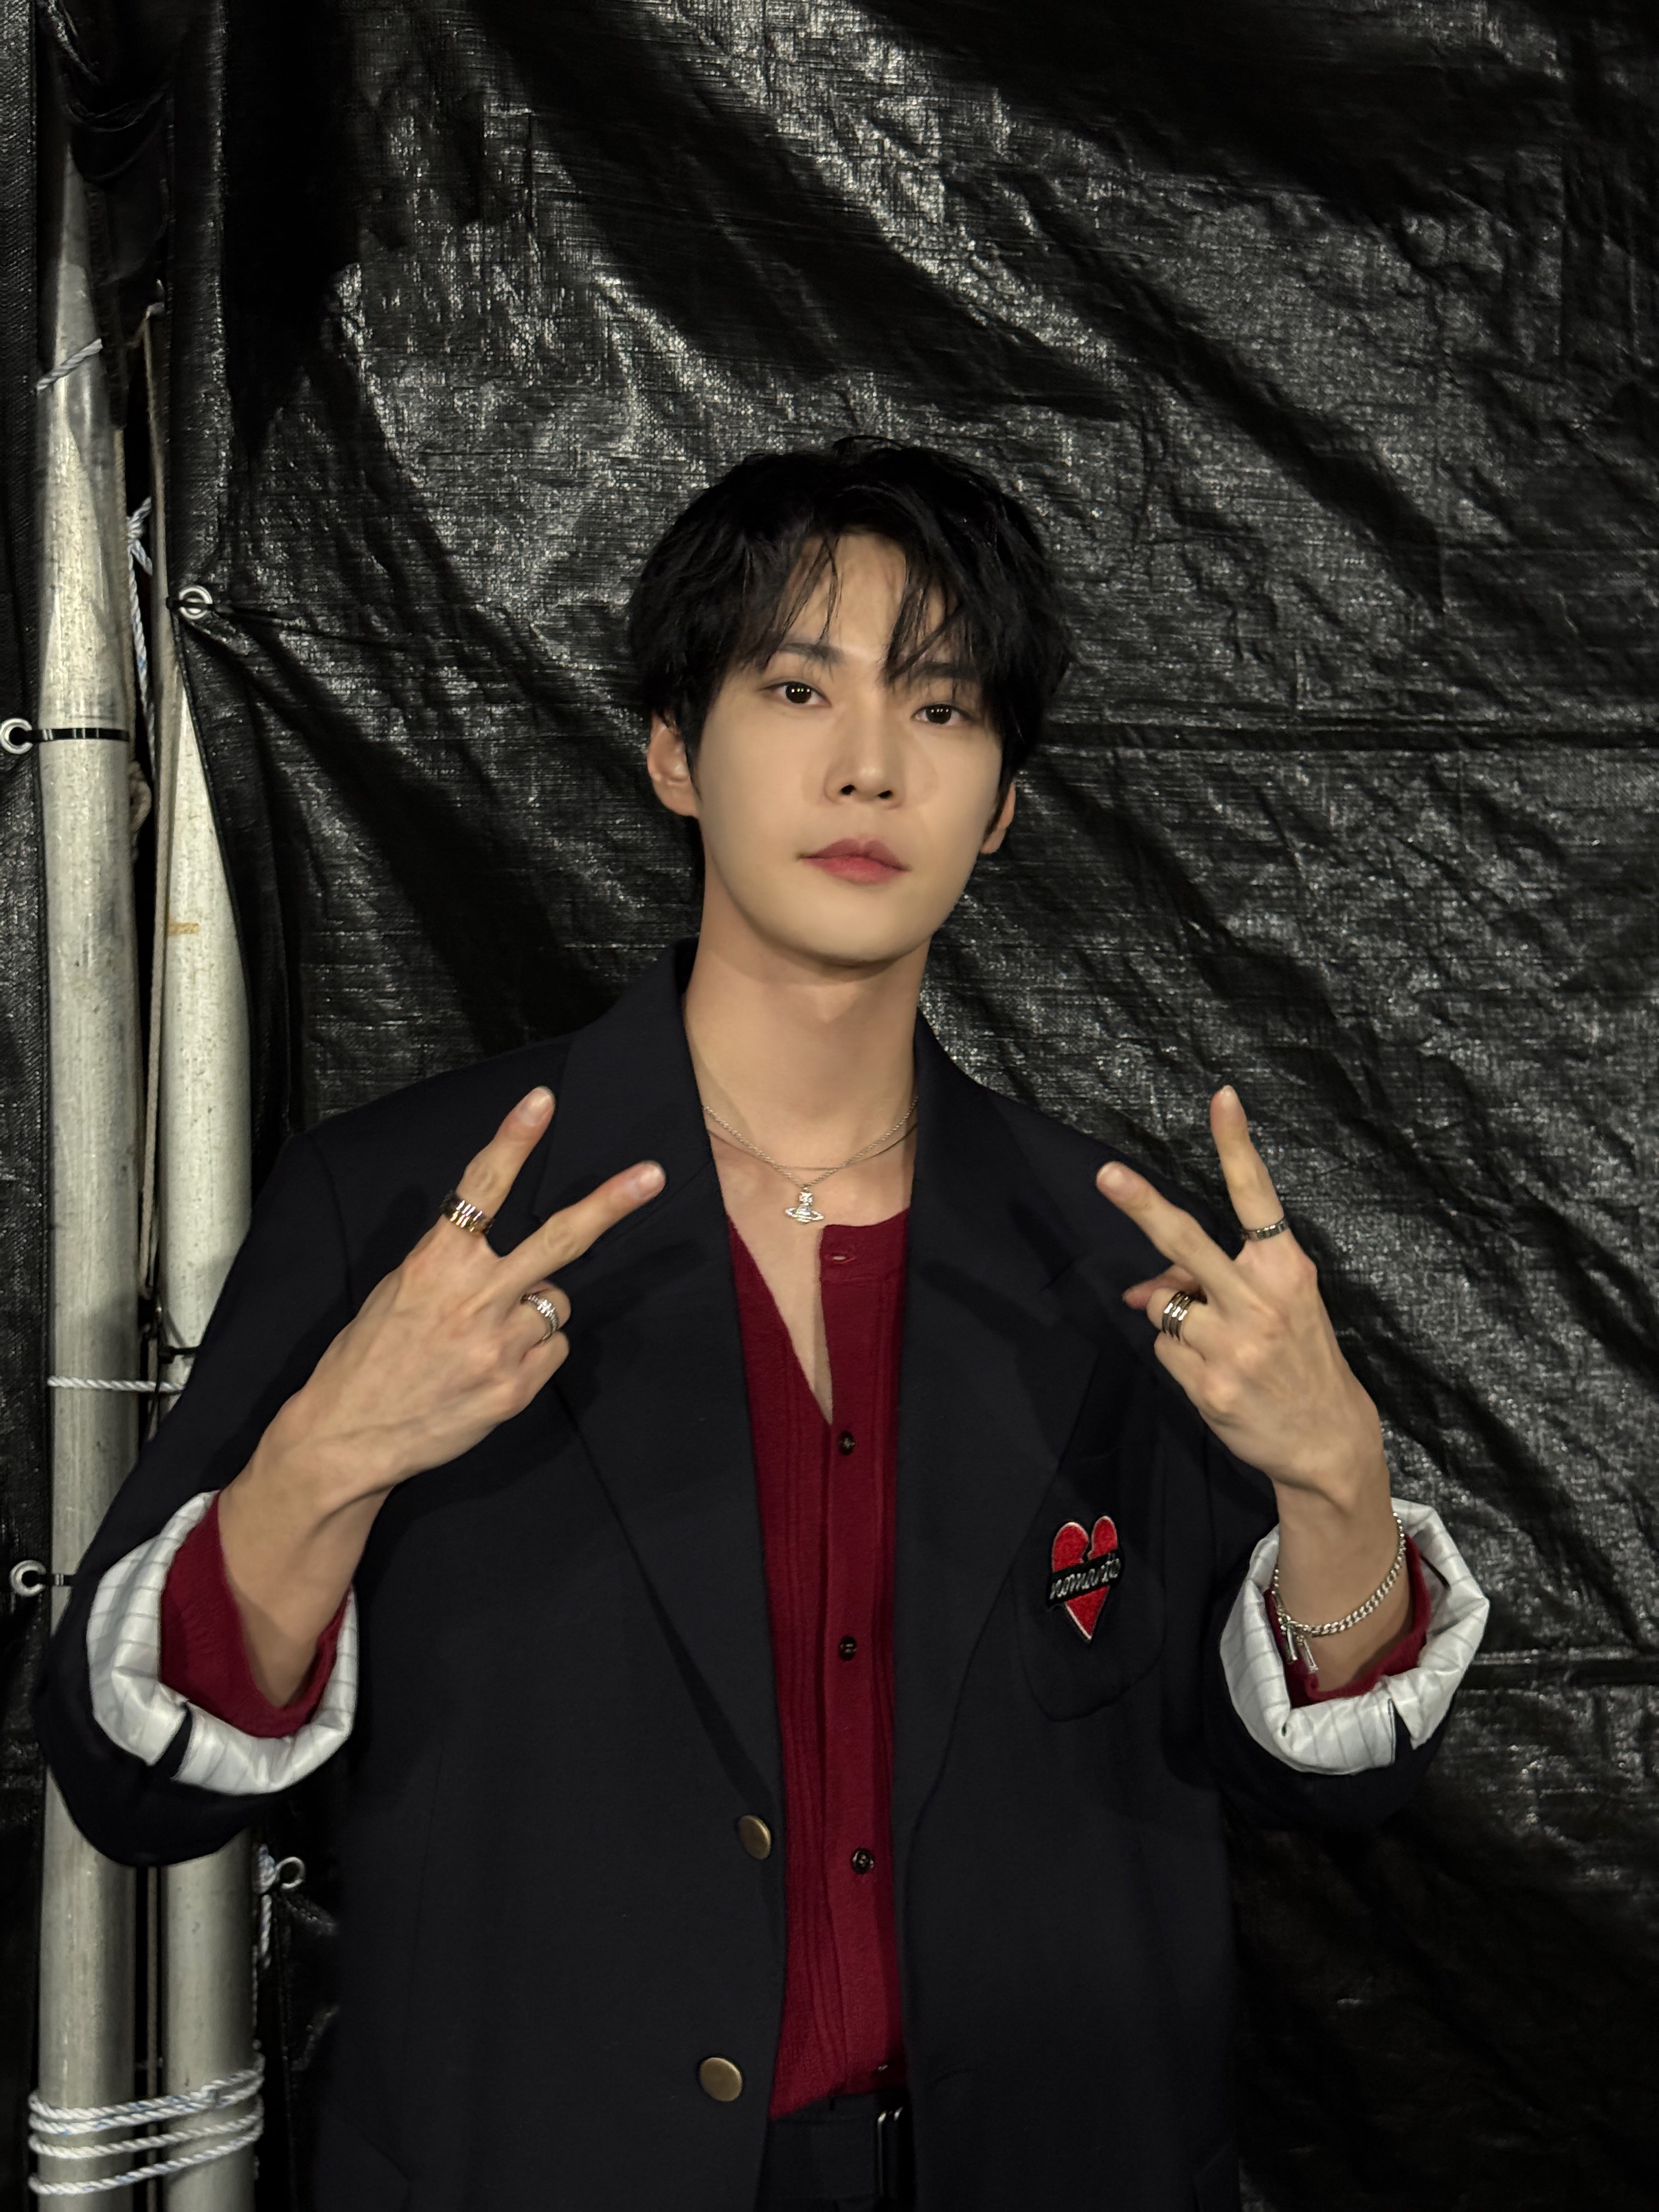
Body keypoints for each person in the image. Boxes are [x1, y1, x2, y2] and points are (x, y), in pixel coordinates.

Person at [38, 438, 1488, 2212]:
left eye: (942, 709)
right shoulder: (417, 1207)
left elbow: (1330, 1799)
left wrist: (1341, 1487)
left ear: (1003, 802)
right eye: (799, 688)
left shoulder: (1118, 1252)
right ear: (675, 748)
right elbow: (134, 1787)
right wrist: (325, 1461)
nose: (870, 763)